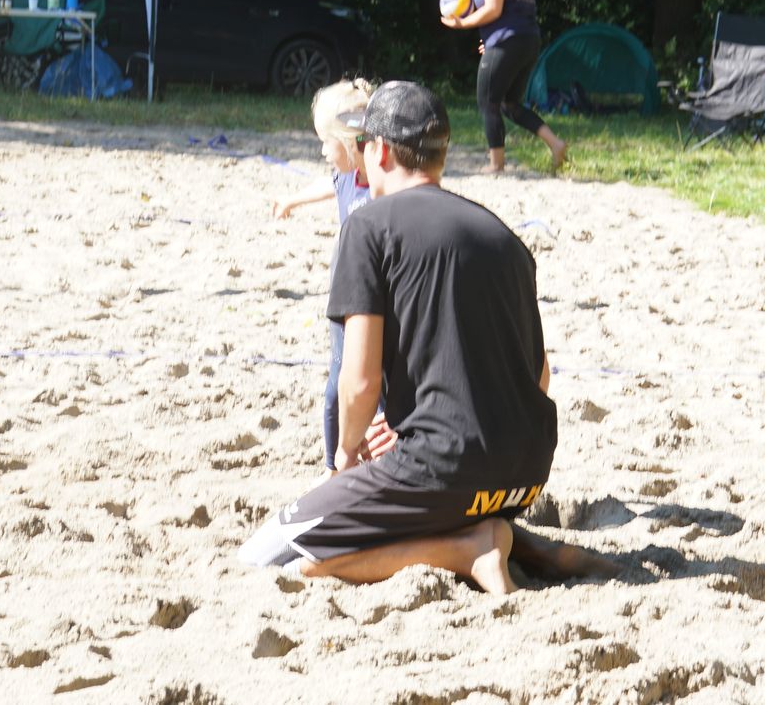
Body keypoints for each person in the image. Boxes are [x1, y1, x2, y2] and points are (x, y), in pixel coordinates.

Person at [239, 81, 609, 592]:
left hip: (445, 469)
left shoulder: (368, 227)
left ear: (380, 151)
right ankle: (522, 545)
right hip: (526, 472)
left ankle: (466, 549)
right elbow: (539, 376)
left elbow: (359, 381)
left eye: (363, 142)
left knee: (271, 557)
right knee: (427, 502)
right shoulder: (504, 237)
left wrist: (345, 459)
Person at [272, 78, 378, 475]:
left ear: (349, 142)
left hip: (376, 304)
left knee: (376, 390)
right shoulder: (347, 176)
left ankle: (379, 467)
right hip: (345, 299)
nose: (322, 151)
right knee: (336, 387)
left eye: (325, 142)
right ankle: (335, 471)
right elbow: (329, 184)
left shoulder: (382, 184)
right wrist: (291, 200)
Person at [440, 0, 568, 174]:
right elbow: (512, 10)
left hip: (507, 41)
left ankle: (496, 165)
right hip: (527, 40)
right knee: (510, 104)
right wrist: (492, 39)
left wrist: (463, 24)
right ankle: (556, 144)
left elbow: (493, 9)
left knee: (488, 101)